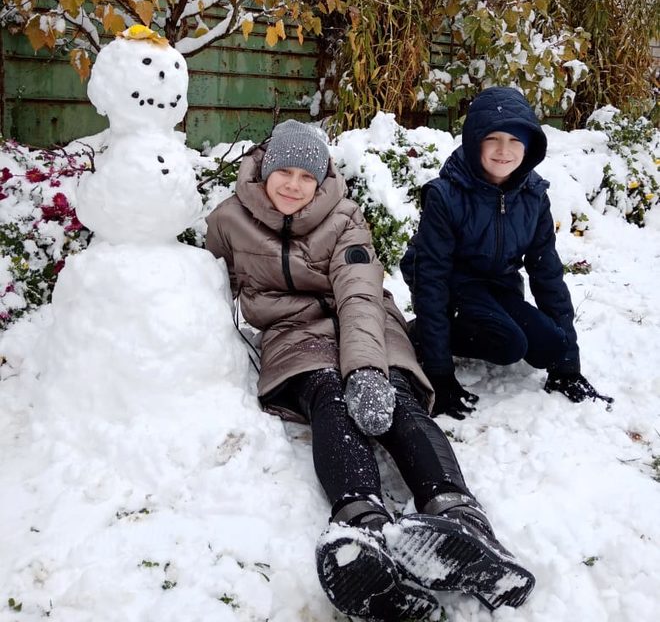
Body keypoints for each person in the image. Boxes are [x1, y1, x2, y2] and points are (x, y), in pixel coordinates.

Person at [206, 119, 535, 621]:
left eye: (306, 177)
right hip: (293, 334)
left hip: (365, 323)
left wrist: (367, 370)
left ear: (322, 181)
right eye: (284, 172)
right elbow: (206, 283)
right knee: (328, 396)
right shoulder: (229, 220)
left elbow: (358, 293)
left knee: (396, 397)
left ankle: (459, 517)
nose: (294, 185)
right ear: (264, 170)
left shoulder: (345, 219)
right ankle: (363, 525)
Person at [401, 86, 613, 420]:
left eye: (516, 140)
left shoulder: (532, 196)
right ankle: (420, 333)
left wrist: (568, 366)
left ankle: (515, 334)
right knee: (509, 345)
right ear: (475, 141)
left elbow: (547, 273)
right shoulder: (446, 195)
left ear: (530, 146)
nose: (504, 151)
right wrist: (438, 370)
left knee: (552, 346)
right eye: (493, 139)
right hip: (453, 282)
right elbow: (432, 278)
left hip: (497, 285)